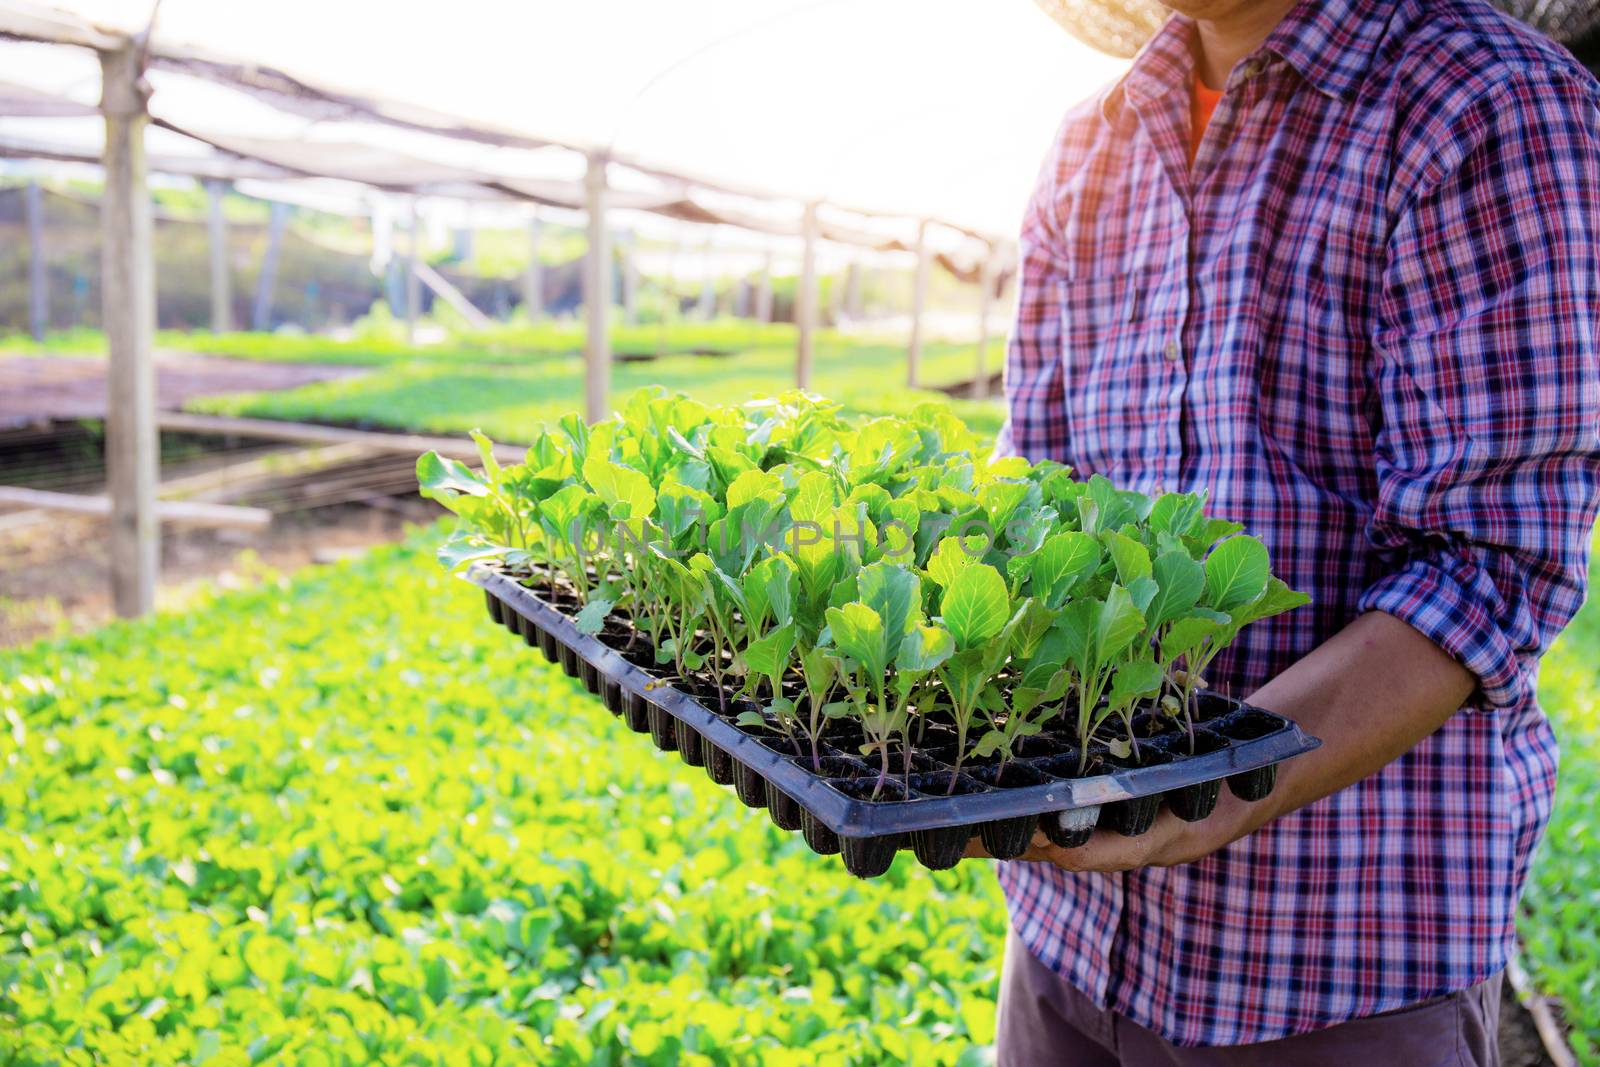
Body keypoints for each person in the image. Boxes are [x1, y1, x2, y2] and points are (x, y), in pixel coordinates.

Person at [974, 0, 1600, 1062]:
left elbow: (1489, 564)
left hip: (1330, 967)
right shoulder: (1089, 143)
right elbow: (1034, 488)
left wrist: (1201, 786)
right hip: (1065, 942)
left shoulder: (1483, 104)